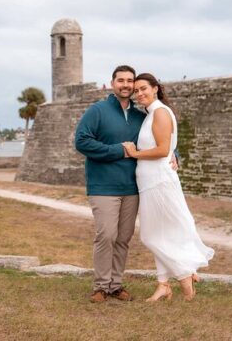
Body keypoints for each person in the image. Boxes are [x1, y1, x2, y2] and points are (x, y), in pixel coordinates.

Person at [75, 65, 177, 303]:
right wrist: (118, 150)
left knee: (123, 238)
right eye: (121, 80)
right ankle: (100, 286)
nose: (126, 85)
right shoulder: (97, 111)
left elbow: (161, 139)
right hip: (103, 186)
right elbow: (81, 142)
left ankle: (115, 285)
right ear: (112, 83)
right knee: (106, 235)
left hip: (132, 187)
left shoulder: (142, 116)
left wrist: (175, 154)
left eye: (130, 81)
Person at [123, 73, 214, 302]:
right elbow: (168, 148)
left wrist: (135, 153)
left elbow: (163, 150)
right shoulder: (152, 113)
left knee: (150, 236)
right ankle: (163, 284)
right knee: (161, 233)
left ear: (155, 88)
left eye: (143, 88)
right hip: (149, 182)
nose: (139, 93)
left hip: (158, 182)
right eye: (136, 91)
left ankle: (184, 274)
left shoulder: (160, 112)